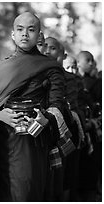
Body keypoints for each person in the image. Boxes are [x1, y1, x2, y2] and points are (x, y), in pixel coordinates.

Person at [0, 12, 70, 202]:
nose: (25, 34)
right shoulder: (0, 67)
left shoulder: (50, 67)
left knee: (25, 191)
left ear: (39, 35)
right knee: (0, 189)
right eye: (20, 29)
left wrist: (46, 118)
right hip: (3, 140)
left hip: (31, 141)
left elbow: (58, 103)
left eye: (31, 30)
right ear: (13, 34)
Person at [44, 37, 86, 201]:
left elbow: (74, 109)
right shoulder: (34, 74)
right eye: (44, 46)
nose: (47, 51)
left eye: (52, 48)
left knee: (63, 184)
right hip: (40, 134)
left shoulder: (71, 79)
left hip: (64, 134)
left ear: (62, 54)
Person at [77, 51, 102, 201]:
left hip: (93, 129)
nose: (92, 63)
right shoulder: (75, 82)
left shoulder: (97, 83)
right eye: (88, 60)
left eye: (92, 60)